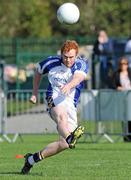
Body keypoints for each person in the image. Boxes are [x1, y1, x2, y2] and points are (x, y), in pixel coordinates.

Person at [21, 40, 88, 174]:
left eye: (71, 57)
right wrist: (34, 93)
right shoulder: (51, 62)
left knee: (64, 144)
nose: (68, 60)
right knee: (61, 118)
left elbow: (78, 78)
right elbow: (38, 71)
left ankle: (31, 160)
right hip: (54, 97)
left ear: (76, 55)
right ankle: (71, 137)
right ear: (61, 54)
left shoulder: (81, 64)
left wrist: (69, 86)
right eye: (65, 57)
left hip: (70, 103)